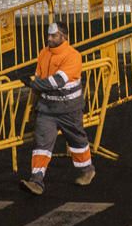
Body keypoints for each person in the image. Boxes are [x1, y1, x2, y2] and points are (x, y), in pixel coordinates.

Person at [19, 21, 94, 195]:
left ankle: (87, 170)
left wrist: (32, 83)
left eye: (53, 35)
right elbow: (41, 79)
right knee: (41, 144)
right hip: (47, 109)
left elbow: (56, 81)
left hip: (69, 109)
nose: (49, 38)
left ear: (64, 37)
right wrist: (35, 95)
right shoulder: (44, 54)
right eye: (48, 35)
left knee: (77, 142)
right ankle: (36, 181)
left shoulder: (73, 56)